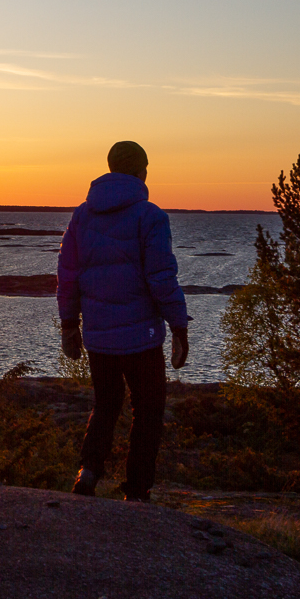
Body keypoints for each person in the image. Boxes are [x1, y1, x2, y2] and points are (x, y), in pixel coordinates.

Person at [57, 140, 189, 501]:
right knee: (147, 411)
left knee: (106, 403)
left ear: (111, 167)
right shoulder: (151, 216)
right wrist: (179, 327)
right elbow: (162, 278)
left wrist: (69, 324)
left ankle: (88, 472)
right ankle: (137, 489)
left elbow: (67, 274)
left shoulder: (82, 215)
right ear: (141, 170)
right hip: (142, 338)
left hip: (99, 337)